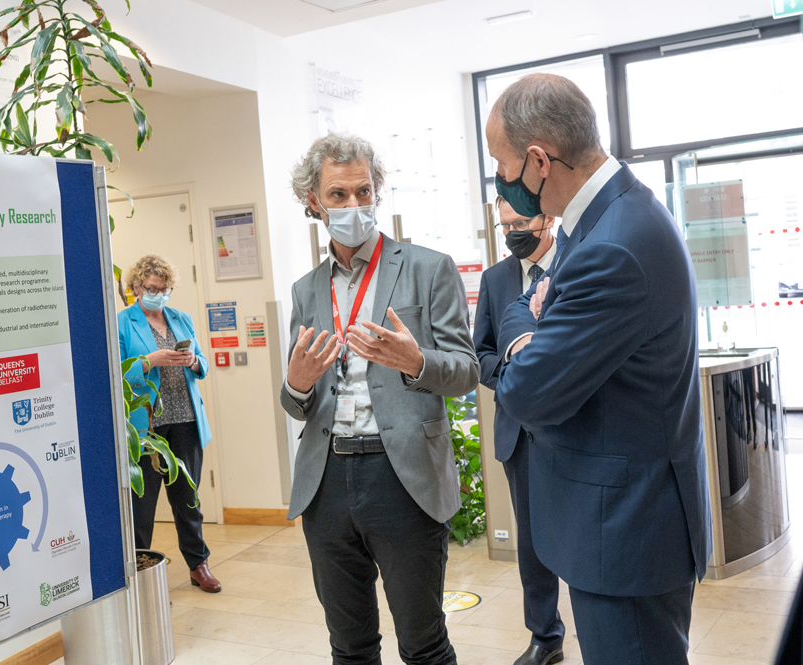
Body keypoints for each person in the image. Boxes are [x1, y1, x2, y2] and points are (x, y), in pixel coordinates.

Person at [487, 74, 712, 664]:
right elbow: (524, 304)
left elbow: (526, 393)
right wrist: (534, 330)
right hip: (619, 524)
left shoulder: (612, 244)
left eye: (502, 164)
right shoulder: (603, 218)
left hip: (626, 533)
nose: (501, 181)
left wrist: (522, 342)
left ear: (539, 161)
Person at [282, 133, 479, 665]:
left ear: (377, 191)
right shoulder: (305, 289)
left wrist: (416, 361)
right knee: (349, 647)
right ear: (314, 201)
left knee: (424, 644)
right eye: (338, 194)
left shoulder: (428, 267)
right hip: (326, 482)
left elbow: (466, 371)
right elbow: (297, 401)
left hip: (402, 476)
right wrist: (297, 383)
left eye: (363, 191)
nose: (354, 205)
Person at [473, 196, 563, 665]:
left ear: (548, 218)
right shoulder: (495, 279)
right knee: (530, 542)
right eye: (505, 225)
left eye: (521, 222)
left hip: (573, 427)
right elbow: (481, 353)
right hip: (519, 433)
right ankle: (545, 636)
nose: (513, 233)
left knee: (582, 535)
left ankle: (599, 626)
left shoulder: (577, 262)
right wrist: (517, 371)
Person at [119, 255, 220, 593]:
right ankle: (138, 569)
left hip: (186, 420)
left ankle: (199, 564)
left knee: (188, 500)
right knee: (142, 504)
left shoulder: (181, 318)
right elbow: (116, 371)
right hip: (147, 428)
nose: (158, 295)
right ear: (136, 288)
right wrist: (150, 361)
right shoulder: (122, 322)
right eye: (152, 289)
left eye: (165, 289)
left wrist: (193, 361)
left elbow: (203, 364)